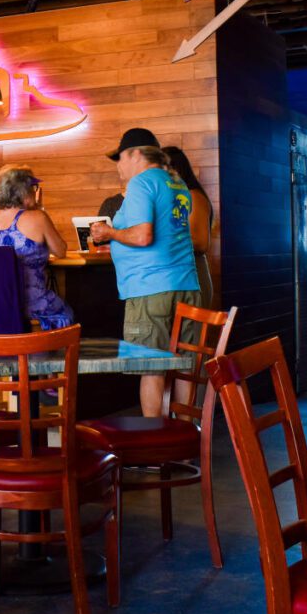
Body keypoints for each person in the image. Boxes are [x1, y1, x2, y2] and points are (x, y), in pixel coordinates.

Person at [90, 128, 200, 417]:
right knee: (183, 366)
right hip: (186, 284)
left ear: (136, 154)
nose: (118, 165)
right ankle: (185, 437)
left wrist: (108, 232)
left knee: (151, 369)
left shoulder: (141, 183)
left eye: (120, 158)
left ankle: (153, 445)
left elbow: (142, 237)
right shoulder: (177, 183)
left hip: (150, 288)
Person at [0, 165, 73, 330]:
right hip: (33, 304)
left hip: (0, 304)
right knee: (66, 312)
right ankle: (54, 354)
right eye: (33, 187)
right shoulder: (37, 217)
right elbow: (61, 251)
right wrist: (39, 210)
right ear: (23, 190)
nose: (36, 191)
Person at [163, 145, 214, 308]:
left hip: (192, 278)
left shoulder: (193, 195)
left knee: (190, 333)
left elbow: (199, 243)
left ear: (174, 170)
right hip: (177, 279)